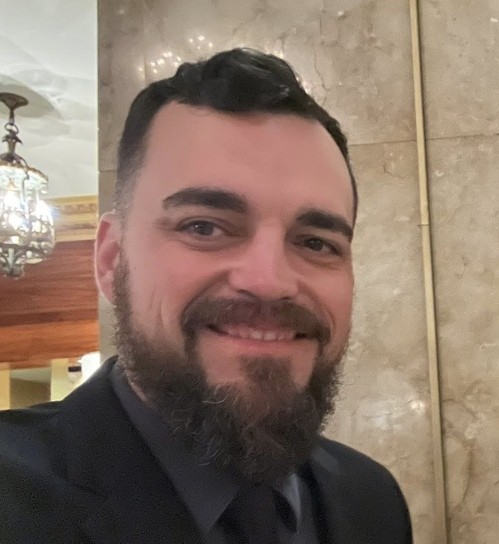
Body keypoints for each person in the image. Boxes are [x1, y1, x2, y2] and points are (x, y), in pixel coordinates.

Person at [0, 48, 412, 543]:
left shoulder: (371, 499)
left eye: (316, 243)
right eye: (204, 227)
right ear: (111, 260)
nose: (270, 281)